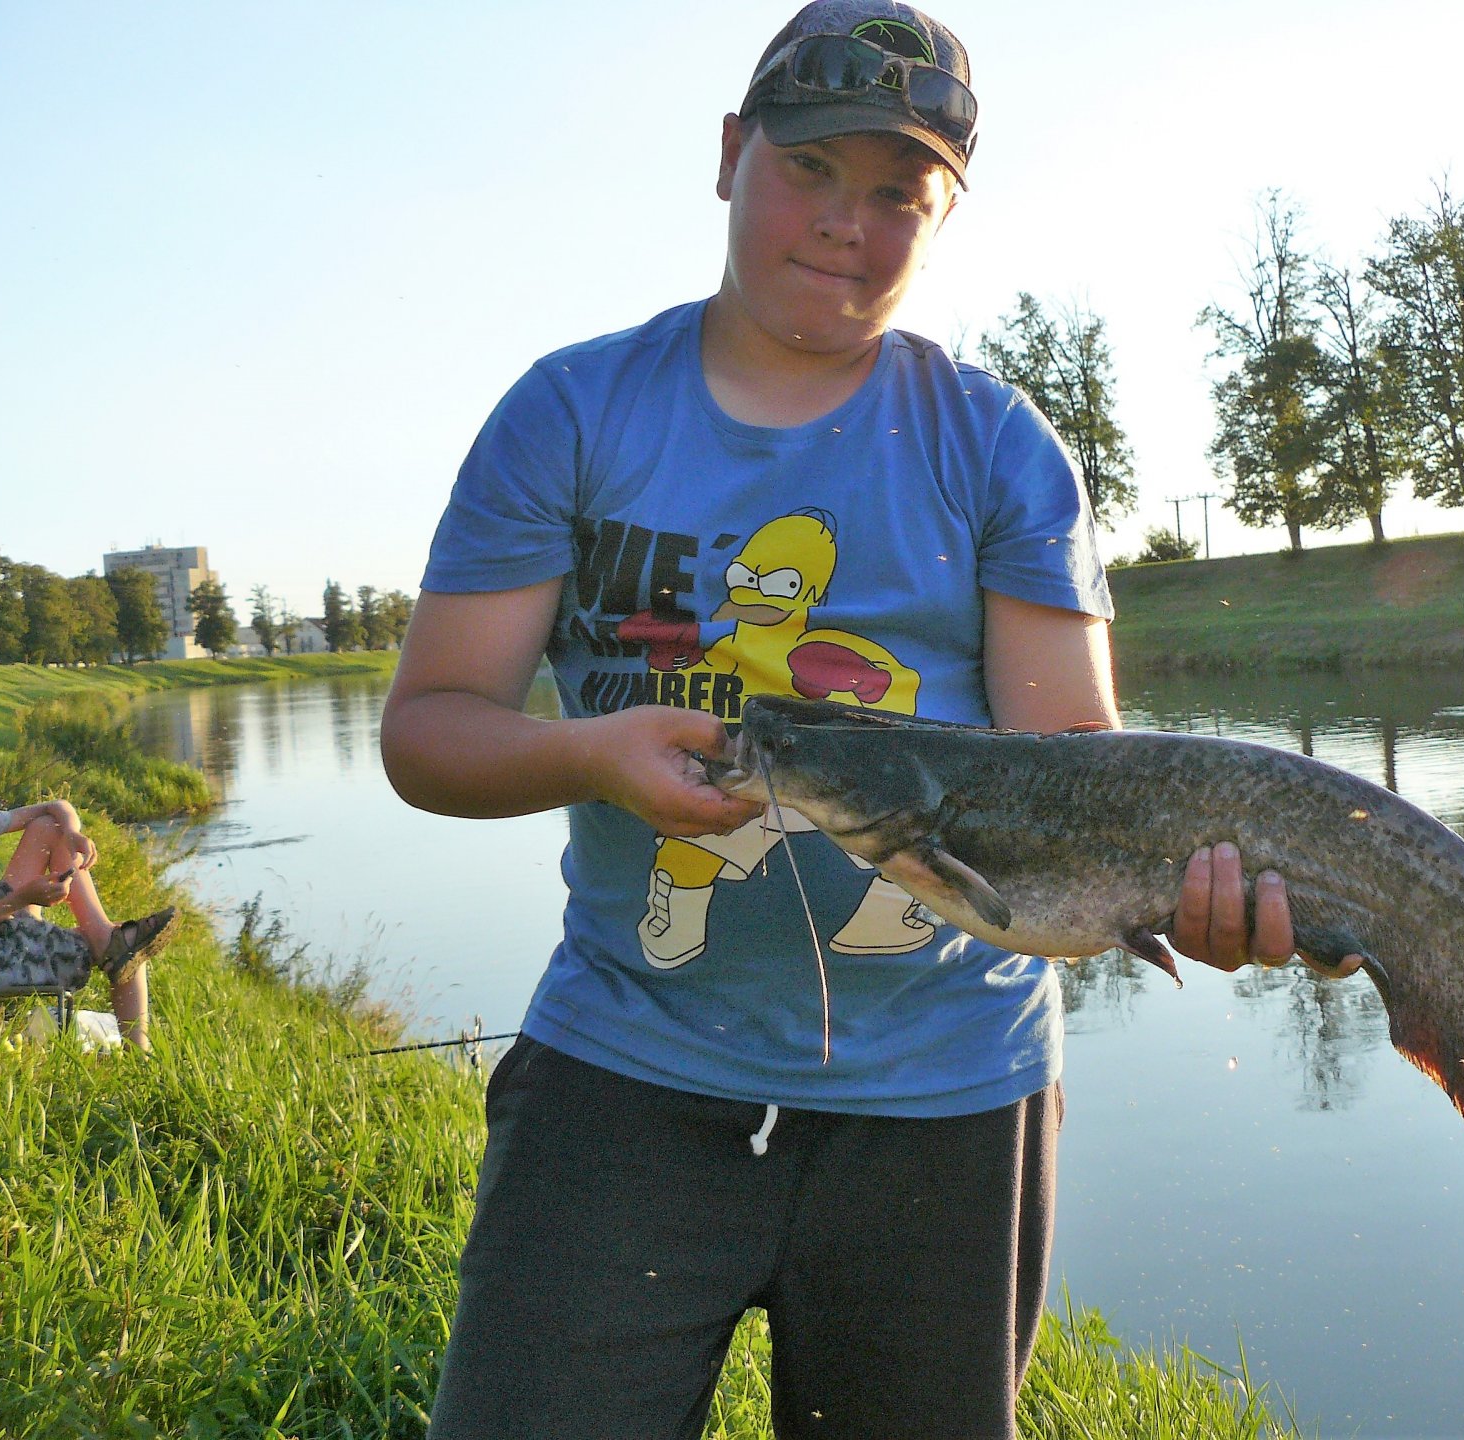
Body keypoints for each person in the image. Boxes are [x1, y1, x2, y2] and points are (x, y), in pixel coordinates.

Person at [382, 4, 1334, 1434]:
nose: (847, 222)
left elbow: (1082, 776)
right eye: (813, 167)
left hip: (948, 1098)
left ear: (942, 217)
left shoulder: (999, 444)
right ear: (729, 155)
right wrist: (589, 751)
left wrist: (1185, 888)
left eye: (899, 192)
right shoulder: (570, 413)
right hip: (627, 1070)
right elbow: (430, 730)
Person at [0, 734, 173, 1053]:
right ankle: (139, 1056)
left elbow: (55, 807)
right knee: (127, 945)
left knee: (49, 827)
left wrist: (74, 833)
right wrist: (20, 900)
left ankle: (102, 936)